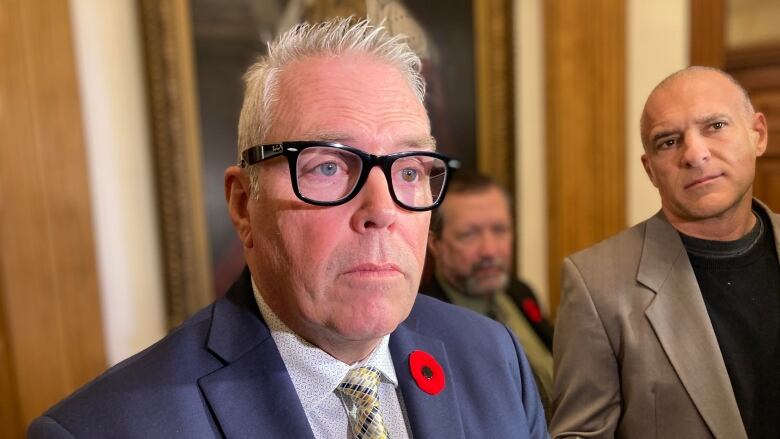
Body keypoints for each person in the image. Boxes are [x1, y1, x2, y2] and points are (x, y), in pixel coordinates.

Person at [29, 18, 547, 438]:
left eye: (409, 170)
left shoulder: (494, 357)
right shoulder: (101, 428)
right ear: (242, 204)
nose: (383, 209)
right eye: (327, 166)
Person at [551, 66, 779, 439]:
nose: (694, 153)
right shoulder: (595, 284)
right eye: (668, 142)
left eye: (715, 126)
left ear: (758, 134)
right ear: (651, 170)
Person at [423, 171, 554, 400]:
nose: (490, 251)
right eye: (469, 235)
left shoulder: (520, 293)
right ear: (435, 243)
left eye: (499, 230)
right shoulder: (423, 328)